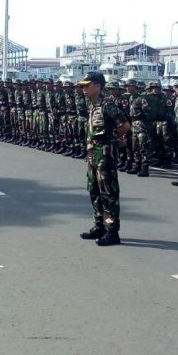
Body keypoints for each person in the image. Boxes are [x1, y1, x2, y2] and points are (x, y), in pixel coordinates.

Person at [77, 72, 130, 246]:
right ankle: (99, 225)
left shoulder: (107, 104)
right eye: (83, 86)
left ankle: (112, 231)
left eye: (87, 85)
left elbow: (124, 125)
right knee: (94, 190)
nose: (84, 89)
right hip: (94, 155)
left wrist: (114, 139)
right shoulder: (92, 104)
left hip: (105, 156)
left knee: (109, 193)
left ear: (98, 86)